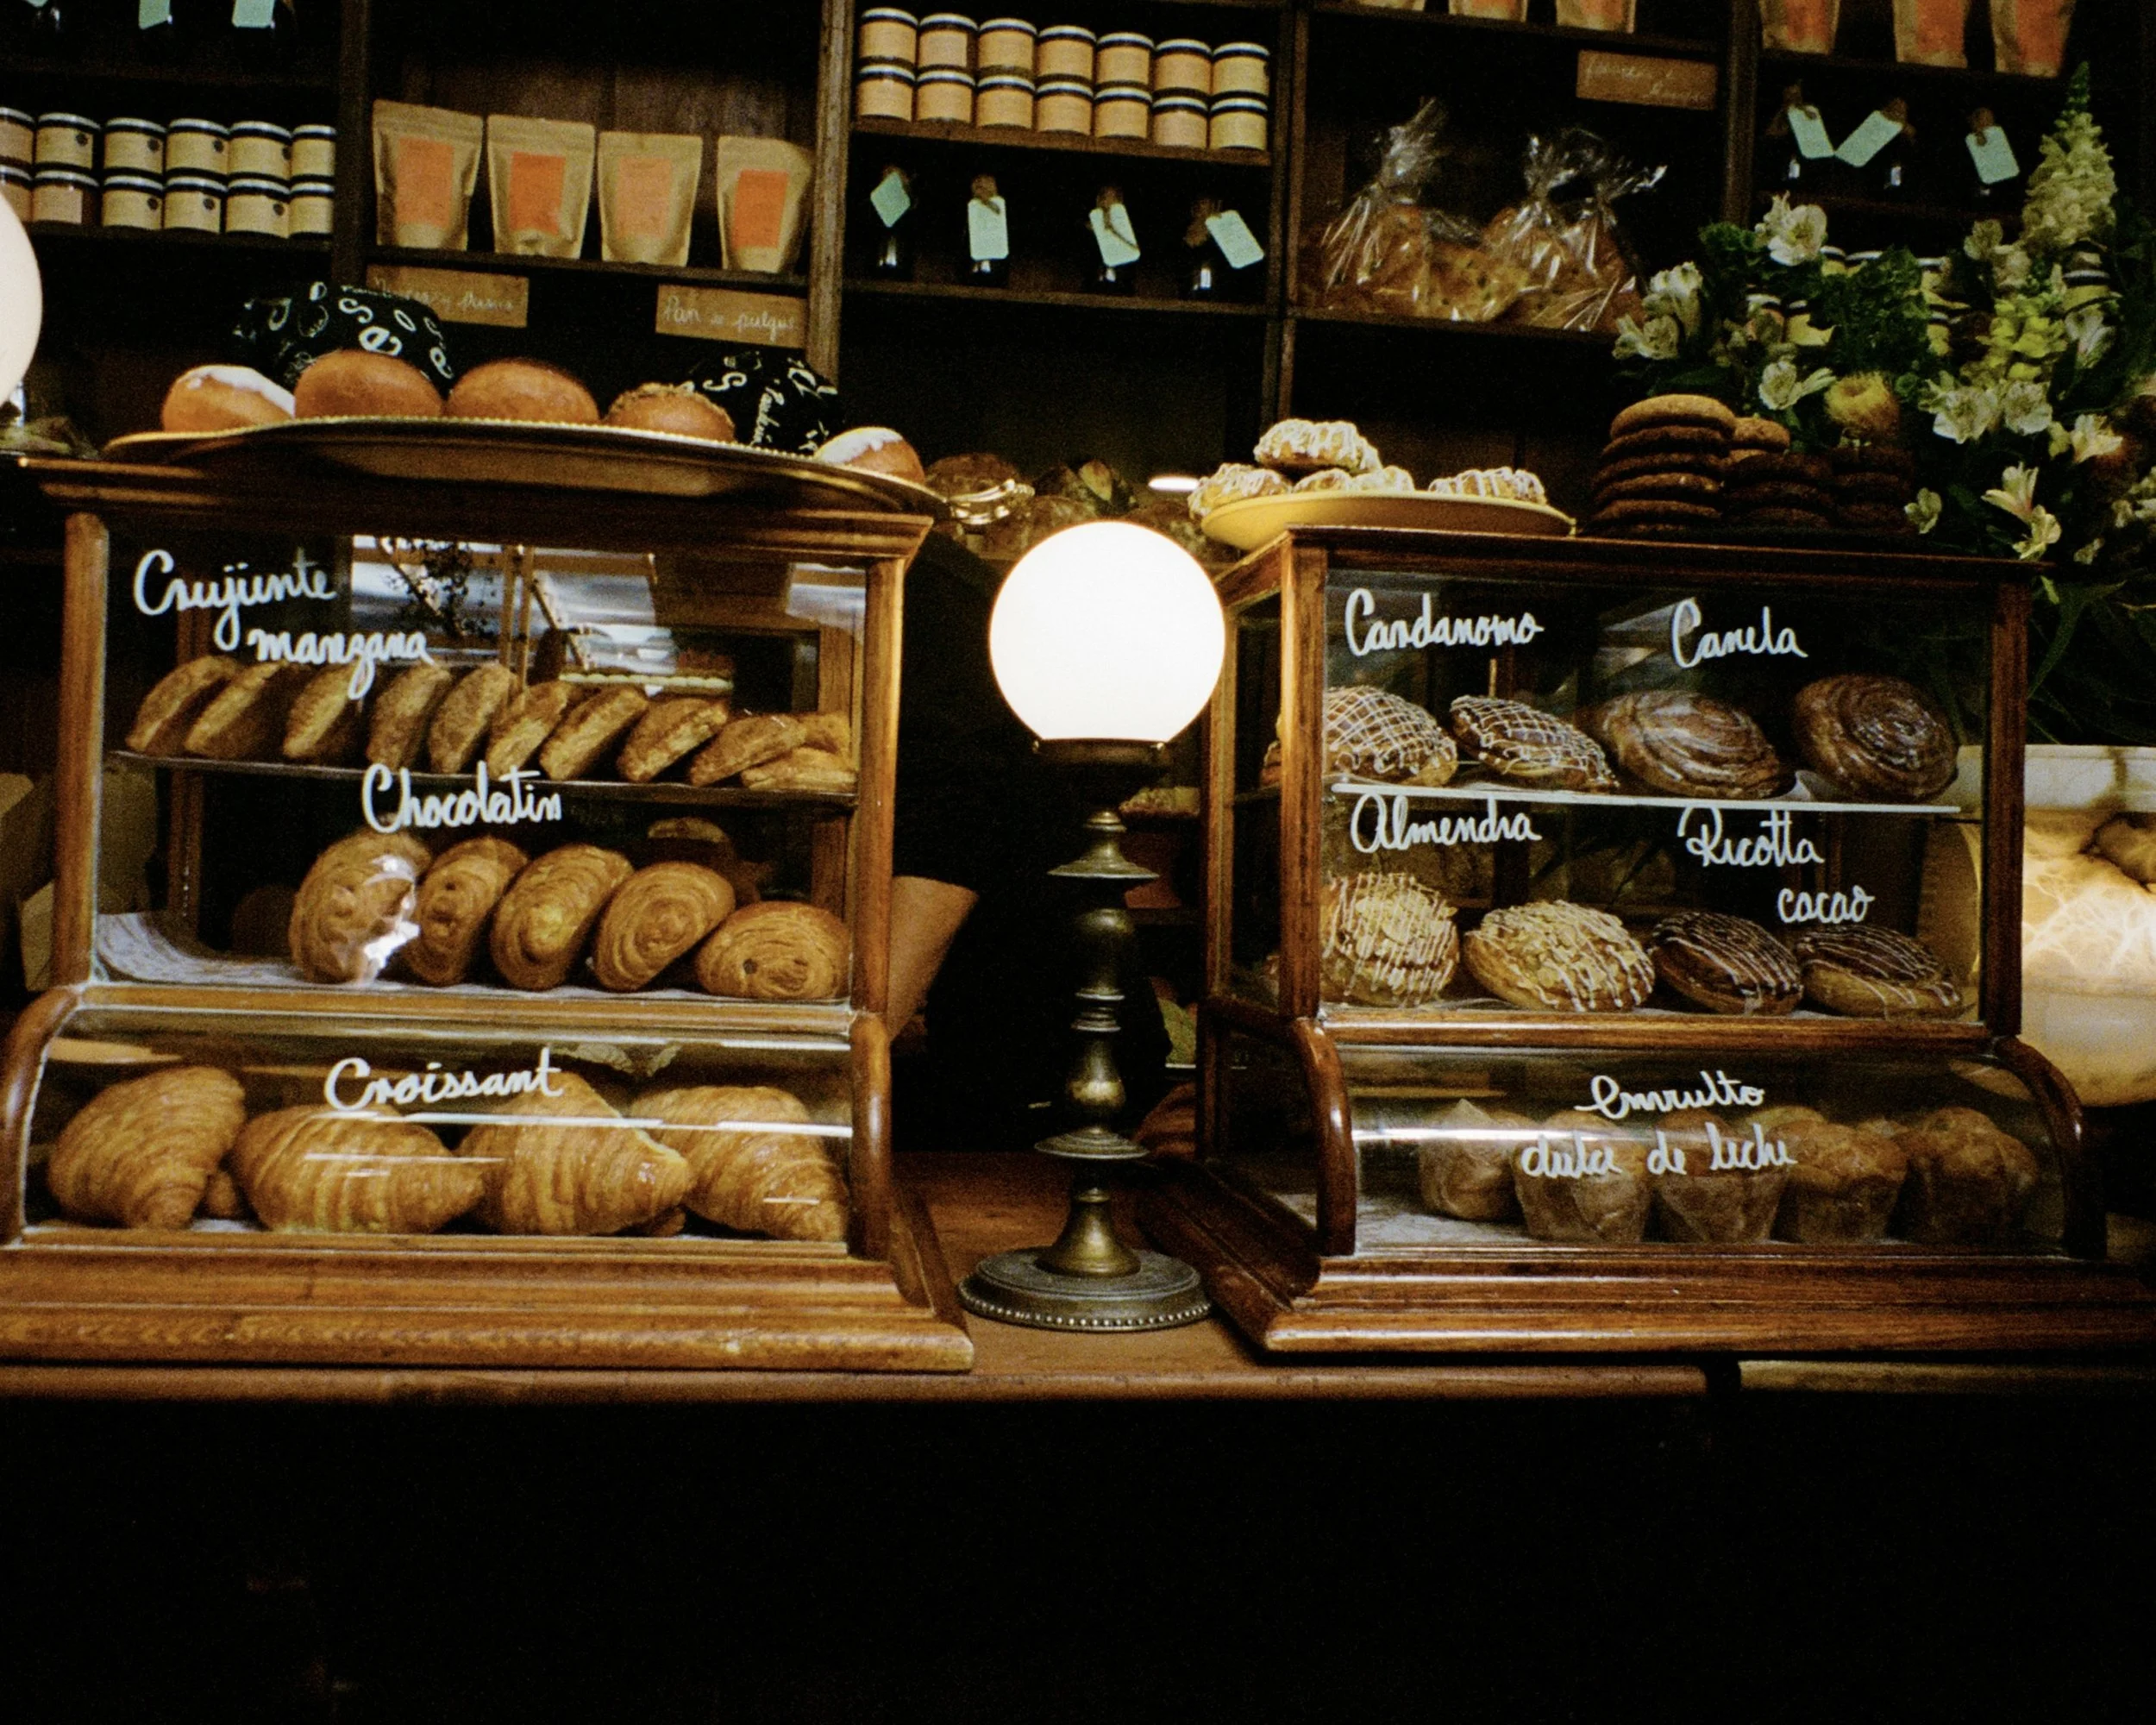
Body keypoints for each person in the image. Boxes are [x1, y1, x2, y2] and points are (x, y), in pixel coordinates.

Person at [887, 530, 1171, 1151]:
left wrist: (829, 1063)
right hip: (1023, 1056)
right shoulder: (936, 585)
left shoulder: (925, 595)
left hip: (1036, 1085)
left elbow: (945, 847)